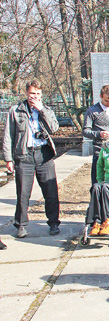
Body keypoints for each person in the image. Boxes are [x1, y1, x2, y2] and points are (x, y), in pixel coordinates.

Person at [3, 80, 61, 238]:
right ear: (26, 93)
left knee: (50, 192)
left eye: (38, 94)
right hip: (24, 155)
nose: (34, 97)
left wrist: (41, 110)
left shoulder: (46, 110)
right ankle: (21, 225)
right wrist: (8, 159)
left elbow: (54, 128)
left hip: (44, 154)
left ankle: (54, 223)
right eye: (32, 93)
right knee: (23, 193)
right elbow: (8, 136)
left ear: (42, 95)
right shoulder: (15, 111)